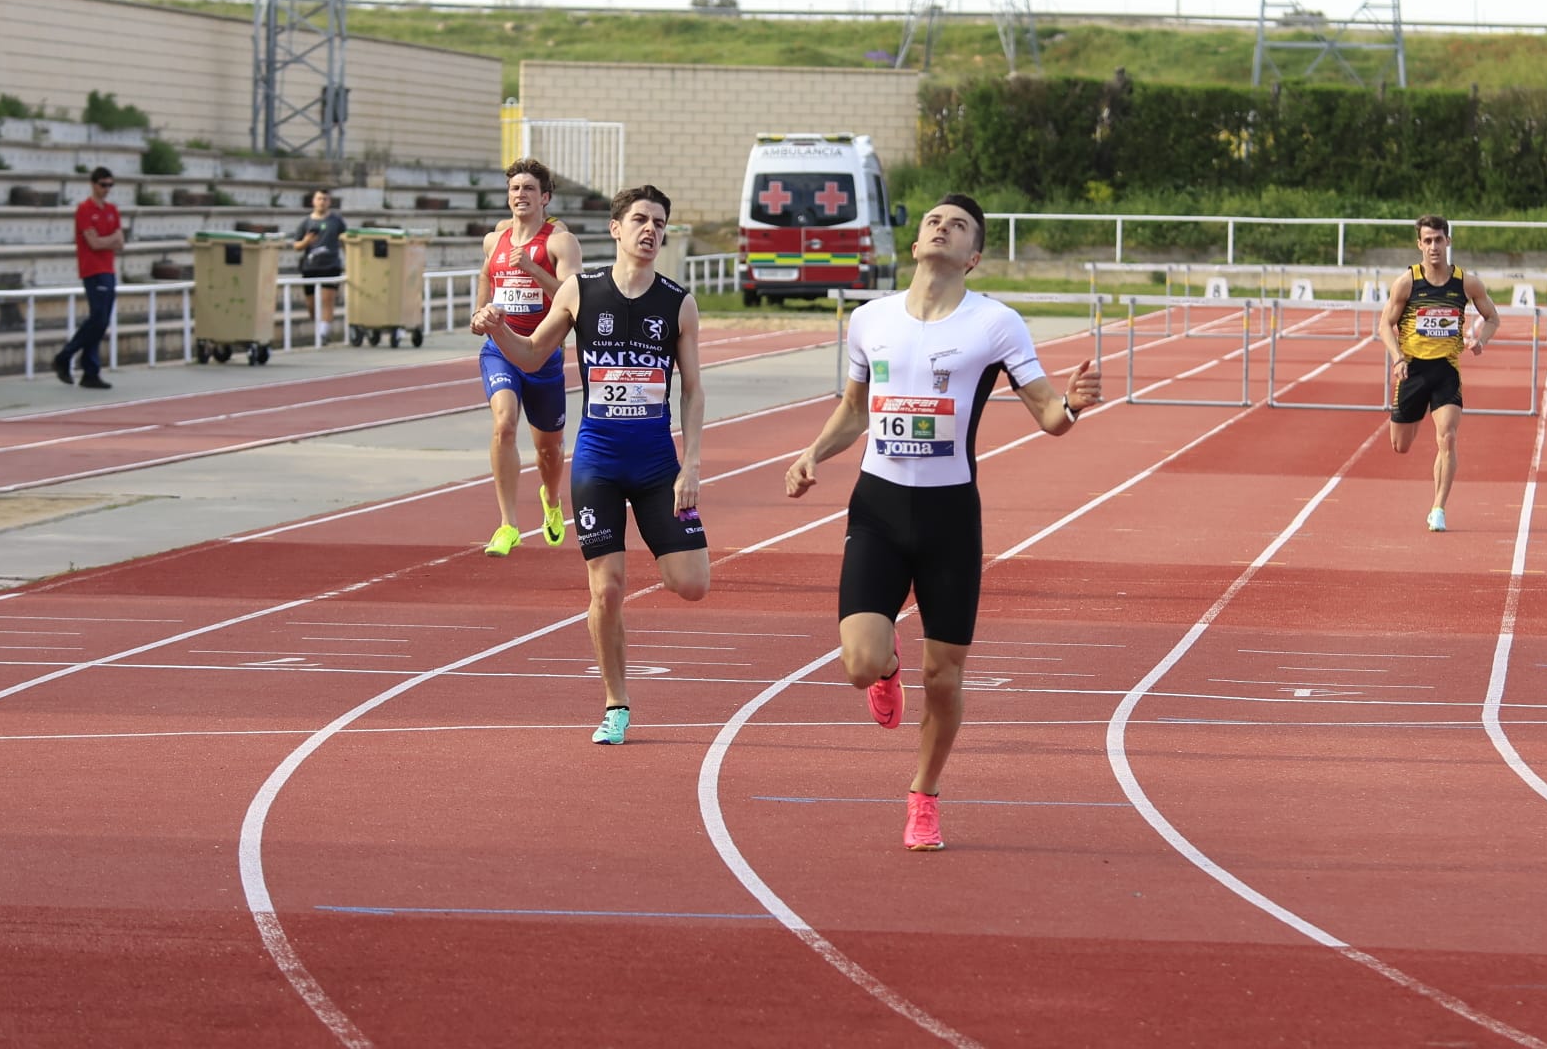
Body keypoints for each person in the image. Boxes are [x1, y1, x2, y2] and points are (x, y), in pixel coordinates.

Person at [784, 193, 1102, 852]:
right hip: (877, 506)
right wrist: (814, 452)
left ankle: (923, 796)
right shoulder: (870, 320)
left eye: (956, 226)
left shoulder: (995, 324)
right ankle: (886, 664)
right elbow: (853, 408)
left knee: (946, 677)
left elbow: (1044, 410)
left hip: (950, 516)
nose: (940, 227)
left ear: (973, 256)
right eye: (933, 220)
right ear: (918, 241)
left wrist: (1071, 407)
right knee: (857, 665)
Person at [472, 184, 708, 746]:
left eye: (658, 222)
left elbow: (694, 391)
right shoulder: (581, 291)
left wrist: (692, 463)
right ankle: (616, 704)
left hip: (656, 465)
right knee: (607, 590)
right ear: (616, 229)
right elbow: (532, 354)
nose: (650, 230)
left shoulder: (678, 302)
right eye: (640, 220)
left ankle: (657, 542)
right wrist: (499, 327)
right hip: (597, 462)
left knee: (692, 583)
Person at [474, 158, 582, 557]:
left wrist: (534, 269)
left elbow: (573, 299)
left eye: (529, 189)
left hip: (543, 355)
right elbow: (487, 275)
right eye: (515, 189)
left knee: (548, 451)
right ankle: (508, 524)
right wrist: (480, 311)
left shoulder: (559, 242)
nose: (520, 195)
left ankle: (551, 502)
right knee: (504, 425)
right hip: (501, 348)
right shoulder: (495, 239)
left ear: (545, 197)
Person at [1375, 214, 1500, 532]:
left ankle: (1438, 508)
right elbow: (1385, 325)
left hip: (1446, 369)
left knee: (1448, 437)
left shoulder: (1466, 282)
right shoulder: (1407, 282)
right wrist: (1397, 358)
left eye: (1439, 239)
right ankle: (1415, 416)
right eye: (1427, 240)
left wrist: (1481, 340)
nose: (1433, 246)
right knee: (1401, 445)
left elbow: (1492, 317)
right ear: (1419, 244)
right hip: (1412, 371)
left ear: (1448, 242)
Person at [52, 166, 125, 390]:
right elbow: (94, 243)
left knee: (101, 321)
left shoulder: (112, 209)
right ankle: (66, 356)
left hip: (108, 269)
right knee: (98, 319)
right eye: (103, 185)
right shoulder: (85, 209)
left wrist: (107, 240)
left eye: (110, 185)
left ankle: (89, 371)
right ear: (93, 184)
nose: (107, 190)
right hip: (93, 269)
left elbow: (120, 242)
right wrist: (109, 239)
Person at [291, 189, 347, 345]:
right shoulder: (306, 223)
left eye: (325, 199)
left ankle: (324, 331)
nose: (322, 202)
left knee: (327, 300)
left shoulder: (336, 221)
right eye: (319, 198)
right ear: (313, 201)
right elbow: (296, 245)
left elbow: (344, 241)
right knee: (311, 303)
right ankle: (318, 324)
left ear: (329, 202)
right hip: (310, 266)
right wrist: (307, 240)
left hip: (331, 265)